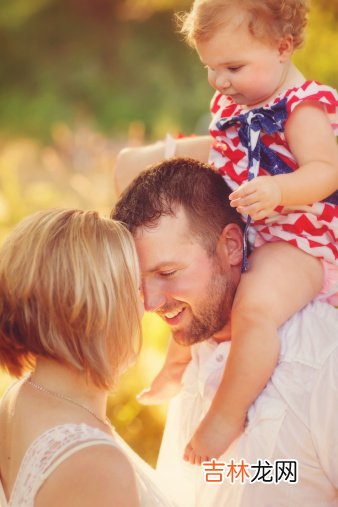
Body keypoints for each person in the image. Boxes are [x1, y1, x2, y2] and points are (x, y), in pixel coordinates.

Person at [117, 0, 338, 463]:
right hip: (254, 229)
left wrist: (280, 189)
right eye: (210, 68)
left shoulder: (303, 106)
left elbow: (327, 170)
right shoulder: (237, 101)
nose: (220, 81)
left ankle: (227, 414)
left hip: (298, 238)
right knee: (197, 298)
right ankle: (178, 366)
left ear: (282, 47)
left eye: (233, 66)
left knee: (253, 309)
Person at [112, 158, 338, 506]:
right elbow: (231, 475)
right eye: (139, 282)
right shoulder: (196, 343)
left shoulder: (324, 358)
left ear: (232, 246)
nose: (150, 303)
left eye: (168, 273)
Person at [0, 209, 175, 507]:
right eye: (134, 289)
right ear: (94, 309)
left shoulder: (19, 396)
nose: (146, 306)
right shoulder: (96, 465)